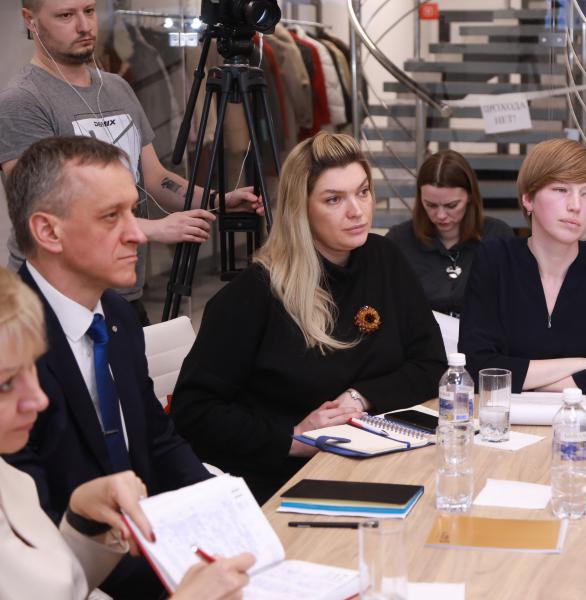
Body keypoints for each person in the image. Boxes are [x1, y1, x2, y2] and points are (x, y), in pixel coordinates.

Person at [171, 132, 447, 503]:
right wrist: (291, 437)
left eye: (362, 192)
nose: (356, 211)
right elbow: (193, 413)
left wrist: (360, 398)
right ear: (300, 208)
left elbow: (431, 364)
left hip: (378, 462)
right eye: (334, 199)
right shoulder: (255, 294)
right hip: (284, 482)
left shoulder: (385, 259)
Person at [3, 136, 214, 599]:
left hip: (138, 550)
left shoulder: (118, 315)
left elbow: (156, 438)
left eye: (132, 212)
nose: (138, 233)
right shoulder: (11, 345)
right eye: (111, 216)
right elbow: (34, 537)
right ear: (48, 232)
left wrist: (222, 518)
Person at [0, 0, 261, 324]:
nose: (84, 26)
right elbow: (43, 211)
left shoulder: (117, 87)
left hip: (123, 295)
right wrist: (153, 229)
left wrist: (216, 200)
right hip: (54, 301)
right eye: (66, 15)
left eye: (89, 11)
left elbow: (154, 178)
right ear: (30, 20)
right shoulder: (23, 101)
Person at [0, 268, 254, 599]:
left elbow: (56, 587)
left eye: (31, 369)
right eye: (6, 384)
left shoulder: (11, 478)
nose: (38, 398)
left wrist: (82, 524)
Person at [458, 138, 586, 396]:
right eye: (560, 189)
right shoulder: (495, 259)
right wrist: (584, 364)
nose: (576, 206)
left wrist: (526, 382)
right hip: (507, 417)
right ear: (528, 199)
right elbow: (476, 369)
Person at [386, 150, 514, 317]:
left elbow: (514, 303)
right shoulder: (398, 241)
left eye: (451, 205)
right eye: (431, 205)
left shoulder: (498, 236)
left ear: (470, 196)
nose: (441, 215)